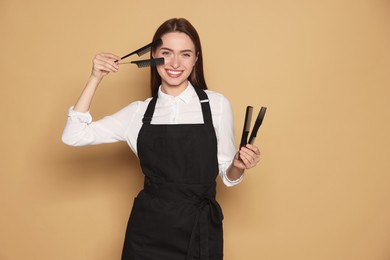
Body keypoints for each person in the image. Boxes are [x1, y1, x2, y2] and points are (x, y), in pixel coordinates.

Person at [62, 18, 261, 260]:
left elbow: (227, 177)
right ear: (153, 56)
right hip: (147, 232)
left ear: (196, 58)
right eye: (166, 53)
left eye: (185, 54)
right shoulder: (138, 112)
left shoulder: (217, 105)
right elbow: (73, 135)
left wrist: (238, 166)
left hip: (199, 228)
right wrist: (95, 78)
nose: (175, 63)